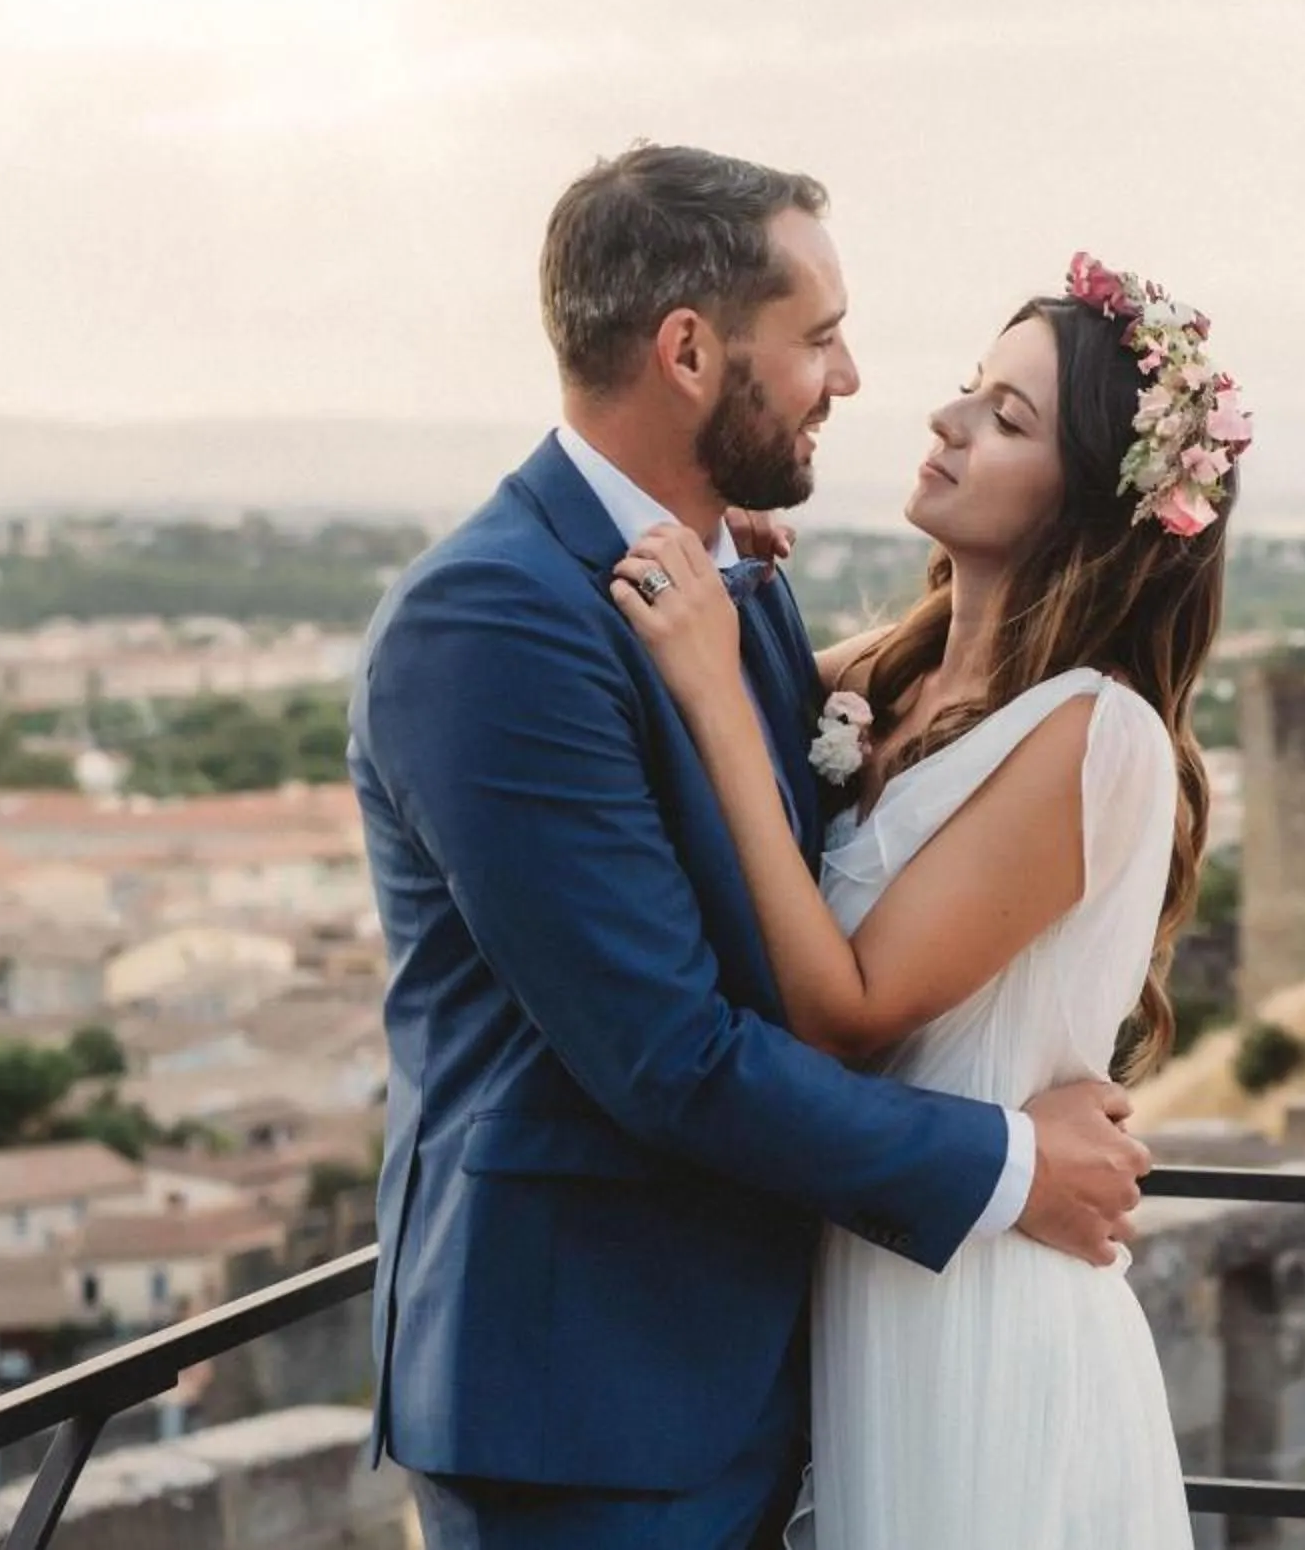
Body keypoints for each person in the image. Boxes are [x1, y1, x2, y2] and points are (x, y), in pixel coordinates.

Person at [349, 146, 1156, 1549]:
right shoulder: (492, 622)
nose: (849, 379)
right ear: (687, 351)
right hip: (585, 1398)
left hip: (762, 1375)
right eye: (818, 339)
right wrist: (1014, 1164)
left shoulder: (728, 583)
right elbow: (672, 1054)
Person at [609, 243, 1248, 1549]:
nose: (946, 420)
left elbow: (849, 1011)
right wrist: (746, 590)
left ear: (1092, 501)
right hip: (869, 1287)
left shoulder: (1096, 731)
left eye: (1006, 417)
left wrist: (721, 691)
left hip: (985, 1313)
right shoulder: (893, 681)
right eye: (969, 388)